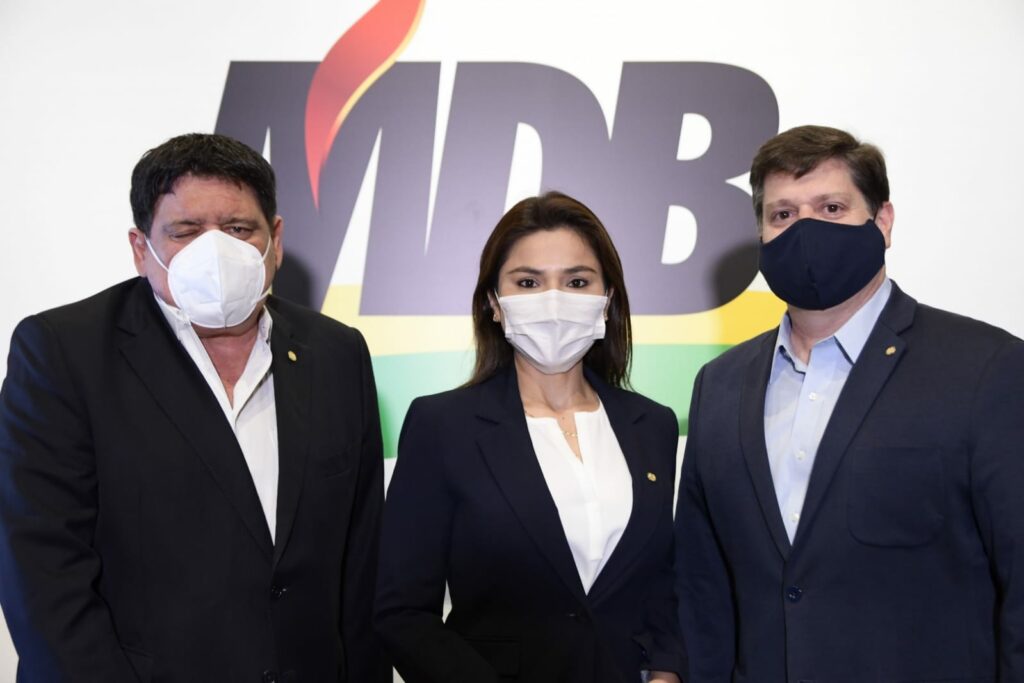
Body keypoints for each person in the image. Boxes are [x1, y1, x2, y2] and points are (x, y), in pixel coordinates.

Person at [0, 133, 391, 681]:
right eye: (185, 232)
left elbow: (360, 559)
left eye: (239, 229)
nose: (216, 252)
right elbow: (42, 572)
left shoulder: (336, 352)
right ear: (142, 248)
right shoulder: (64, 352)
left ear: (275, 240)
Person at [675, 125, 1024, 681]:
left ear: (882, 222)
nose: (804, 228)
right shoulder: (719, 385)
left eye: (831, 208)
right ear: (761, 234)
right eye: (782, 215)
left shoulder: (986, 368)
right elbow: (702, 587)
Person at [374, 191, 686, 682]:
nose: (553, 301)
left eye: (577, 281)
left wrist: (668, 670)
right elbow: (402, 612)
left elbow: (663, 584)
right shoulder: (442, 426)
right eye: (528, 282)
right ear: (494, 304)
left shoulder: (653, 425)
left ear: (607, 300)